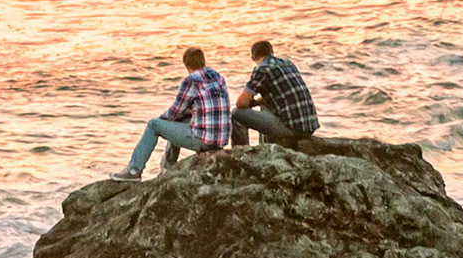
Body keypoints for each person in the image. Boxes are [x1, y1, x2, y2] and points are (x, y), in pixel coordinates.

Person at [111, 47, 231, 180]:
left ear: (186, 64)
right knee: (177, 120)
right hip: (221, 140)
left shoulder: (191, 80)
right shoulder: (218, 77)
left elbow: (175, 111)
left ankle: (134, 171)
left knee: (153, 125)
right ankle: (167, 168)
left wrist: (161, 121)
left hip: (205, 141)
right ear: (203, 61)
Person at [232, 39, 319, 144]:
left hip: (292, 129)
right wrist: (255, 102)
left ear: (253, 58)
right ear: (272, 53)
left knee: (236, 114)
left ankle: (242, 152)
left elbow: (241, 104)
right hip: (309, 127)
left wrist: (250, 103)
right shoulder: (287, 63)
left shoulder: (262, 69)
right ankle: (264, 146)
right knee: (265, 104)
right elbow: (281, 95)